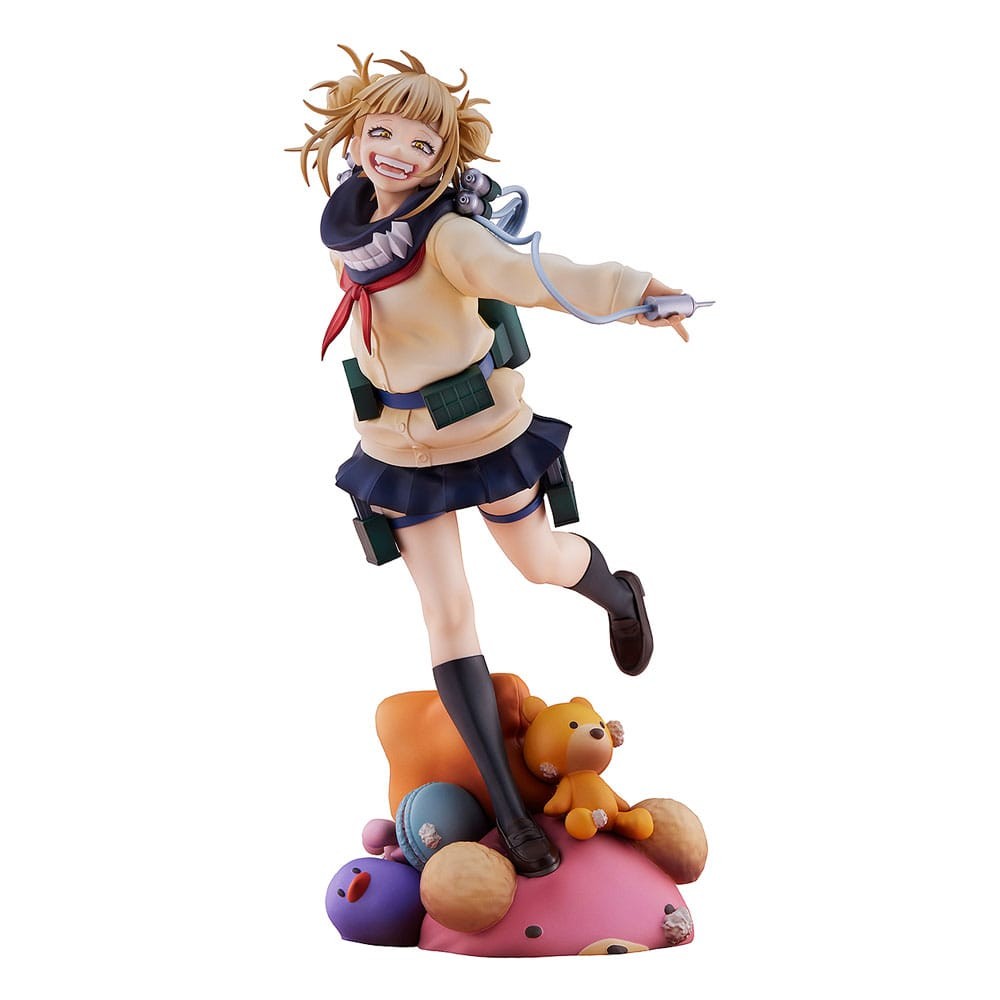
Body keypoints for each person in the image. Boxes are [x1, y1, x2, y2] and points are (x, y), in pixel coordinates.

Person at [294, 46, 691, 877]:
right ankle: (510, 815)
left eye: (422, 144)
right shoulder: (351, 226)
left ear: (444, 157)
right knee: (446, 614)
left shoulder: (450, 238)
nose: (397, 153)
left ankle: (620, 594)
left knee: (539, 563)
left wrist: (637, 292)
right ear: (356, 134)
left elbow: (532, 276)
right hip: (394, 448)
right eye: (382, 133)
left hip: (482, 435)